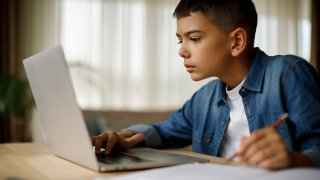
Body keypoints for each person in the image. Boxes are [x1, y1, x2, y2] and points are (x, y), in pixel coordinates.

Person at [91, 0, 320, 170]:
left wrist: (294, 160)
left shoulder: (289, 75)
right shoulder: (204, 98)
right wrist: (124, 136)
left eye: (195, 38)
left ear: (237, 41)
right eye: (181, 40)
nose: (181, 50)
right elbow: (162, 131)